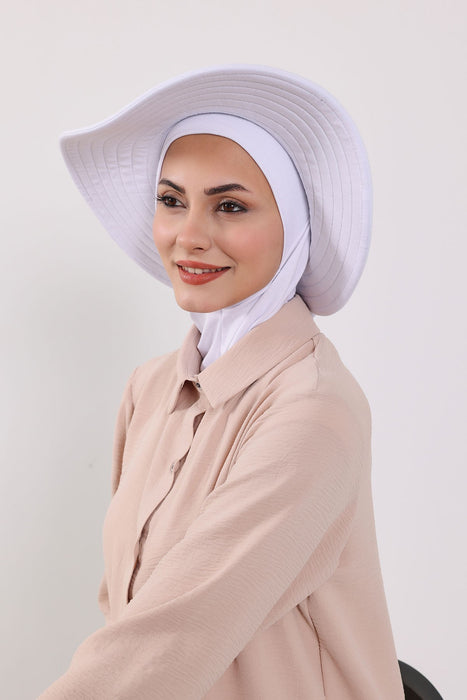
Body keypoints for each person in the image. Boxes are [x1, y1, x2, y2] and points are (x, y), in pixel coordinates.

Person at [40, 65, 404, 699]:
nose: (190, 236)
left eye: (230, 206)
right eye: (171, 201)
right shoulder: (150, 389)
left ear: (294, 224)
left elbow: (176, 635)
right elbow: (127, 610)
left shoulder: (313, 410)